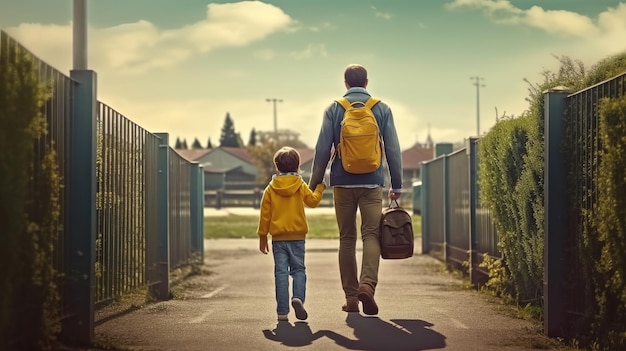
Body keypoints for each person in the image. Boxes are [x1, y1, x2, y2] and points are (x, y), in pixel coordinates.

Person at [308, 64, 402, 315]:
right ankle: (367, 287)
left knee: (347, 238)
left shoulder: (334, 109)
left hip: (342, 181)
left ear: (346, 83)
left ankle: (351, 298)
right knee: (371, 235)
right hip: (372, 183)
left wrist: (314, 183)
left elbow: (321, 151)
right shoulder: (381, 108)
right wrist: (397, 184)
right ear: (367, 82)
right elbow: (392, 149)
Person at [257, 146, 326, 322]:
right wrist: (320, 188)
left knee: (280, 273)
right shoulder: (300, 185)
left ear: (277, 166)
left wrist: (263, 236)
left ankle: (282, 312)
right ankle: (298, 298)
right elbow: (312, 202)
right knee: (298, 270)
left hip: (278, 240)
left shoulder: (270, 189)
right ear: (297, 166)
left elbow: (265, 215)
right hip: (297, 238)